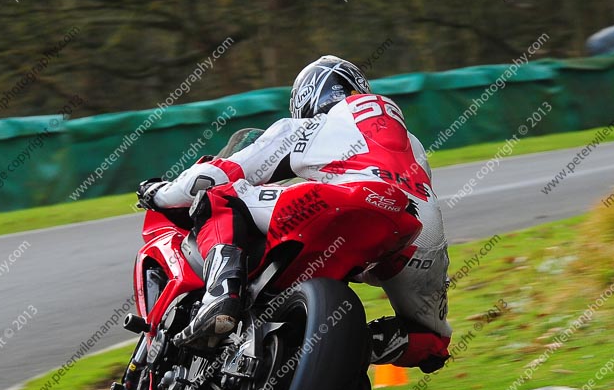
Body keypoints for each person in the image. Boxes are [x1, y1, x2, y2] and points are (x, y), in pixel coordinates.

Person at [138, 55, 452, 373]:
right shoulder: (410, 142)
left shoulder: (308, 127)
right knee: (432, 343)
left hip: (345, 201)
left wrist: (158, 193)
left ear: (306, 101)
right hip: (417, 231)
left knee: (219, 197)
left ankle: (222, 297)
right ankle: (352, 350)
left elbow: (220, 173)